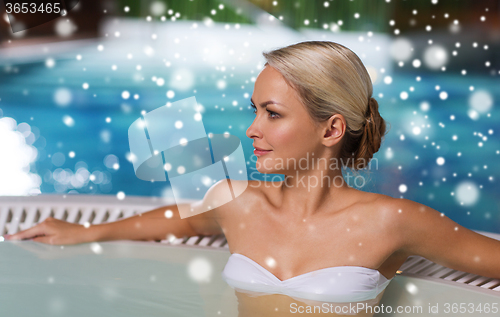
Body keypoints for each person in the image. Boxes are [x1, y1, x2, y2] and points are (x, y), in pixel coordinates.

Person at [5, 41, 500, 314]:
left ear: (331, 128)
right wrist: (88, 233)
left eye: (272, 114)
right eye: (254, 110)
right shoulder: (236, 202)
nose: (251, 128)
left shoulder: (391, 221)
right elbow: (181, 220)